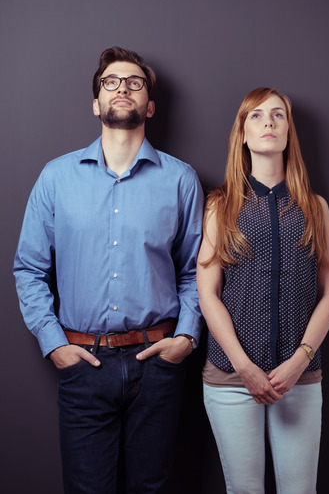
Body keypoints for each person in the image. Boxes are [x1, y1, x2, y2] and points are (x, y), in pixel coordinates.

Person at [14, 46, 204, 494]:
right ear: (96, 103)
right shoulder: (55, 177)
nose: (123, 88)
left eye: (135, 83)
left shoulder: (181, 180)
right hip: (83, 365)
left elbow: (196, 269)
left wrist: (186, 338)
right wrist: (53, 342)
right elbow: (28, 268)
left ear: (149, 105)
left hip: (158, 364)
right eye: (111, 82)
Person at [197, 87, 329, 494]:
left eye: (278, 115)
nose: (269, 123)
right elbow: (208, 292)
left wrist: (300, 360)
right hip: (230, 377)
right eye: (256, 116)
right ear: (242, 133)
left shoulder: (315, 207)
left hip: (300, 377)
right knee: (245, 490)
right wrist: (244, 367)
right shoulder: (219, 206)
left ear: (289, 131)